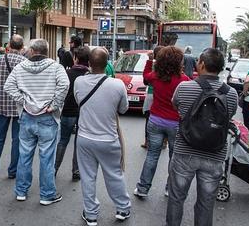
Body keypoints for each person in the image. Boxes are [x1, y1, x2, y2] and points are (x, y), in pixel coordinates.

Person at [167, 48, 237, 226]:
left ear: (202, 64)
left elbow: (176, 107)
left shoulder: (184, 87)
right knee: (206, 203)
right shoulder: (231, 94)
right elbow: (229, 115)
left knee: (176, 198)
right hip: (214, 155)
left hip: (185, 151)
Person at [4, 38, 70, 205]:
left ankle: (21, 191)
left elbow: (8, 86)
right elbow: (65, 85)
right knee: (47, 157)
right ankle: (47, 194)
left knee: (24, 156)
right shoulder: (56, 67)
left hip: (26, 116)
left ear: (32, 51)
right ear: (47, 51)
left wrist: (23, 101)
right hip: (48, 117)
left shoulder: (20, 68)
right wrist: (54, 104)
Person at [75, 47, 131, 225]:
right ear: (107, 64)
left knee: (88, 177)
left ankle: (91, 214)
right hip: (108, 139)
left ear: (89, 64)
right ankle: (122, 208)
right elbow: (123, 109)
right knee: (114, 174)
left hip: (84, 138)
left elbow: (79, 102)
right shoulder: (117, 84)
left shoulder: (79, 82)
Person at [134, 46, 190, 198]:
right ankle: (169, 188)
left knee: (152, 155)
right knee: (174, 157)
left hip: (156, 121)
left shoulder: (156, 76)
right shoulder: (184, 80)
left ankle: (143, 188)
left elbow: (145, 77)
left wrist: (150, 60)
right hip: (175, 123)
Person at [0, 34, 27, 178]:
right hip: (18, 106)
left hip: (3, 104)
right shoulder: (25, 62)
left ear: (9, 45)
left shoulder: (0, 59)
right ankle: (13, 171)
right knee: (17, 139)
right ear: (22, 47)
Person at [55, 45, 90, 181]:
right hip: (84, 114)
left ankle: (54, 168)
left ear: (75, 58)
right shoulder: (90, 76)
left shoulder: (67, 74)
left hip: (68, 112)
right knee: (78, 143)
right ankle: (76, 171)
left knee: (63, 141)